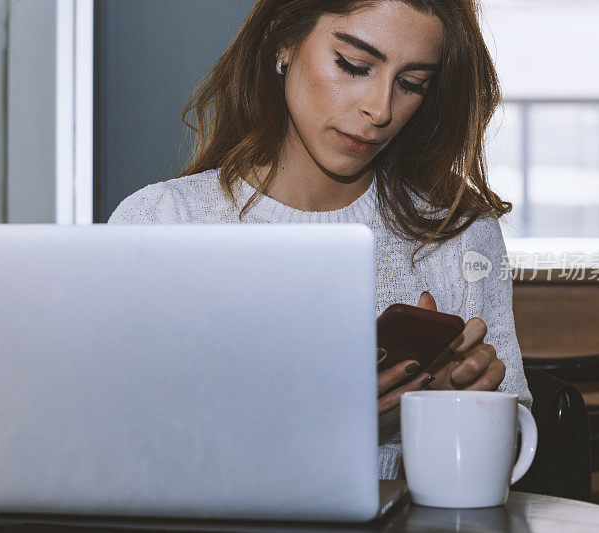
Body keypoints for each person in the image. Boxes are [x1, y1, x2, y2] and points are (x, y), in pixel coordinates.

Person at [109, 0, 532, 480]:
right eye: (354, 66)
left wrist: (455, 413)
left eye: (413, 84)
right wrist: (300, 418)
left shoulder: (457, 233)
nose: (380, 108)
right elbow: (117, 444)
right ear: (284, 42)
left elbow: (515, 446)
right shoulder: (163, 222)